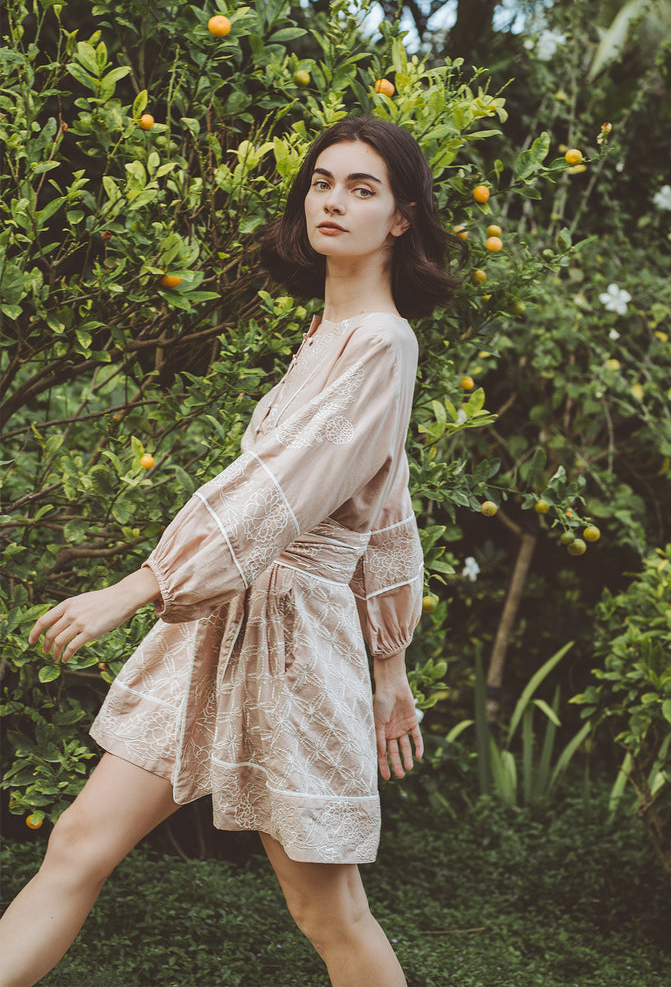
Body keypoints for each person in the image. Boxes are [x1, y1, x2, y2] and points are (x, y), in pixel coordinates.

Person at [0, 116, 458, 987]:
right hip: (216, 631)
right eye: (322, 181)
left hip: (294, 647)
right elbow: (386, 505)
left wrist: (141, 585)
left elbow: (279, 489)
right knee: (79, 841)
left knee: (328, 911)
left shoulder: (382, 343)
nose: (333, 201)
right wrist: (393, 667)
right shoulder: (325, 337)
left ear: (401, 218)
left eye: (361, 189)